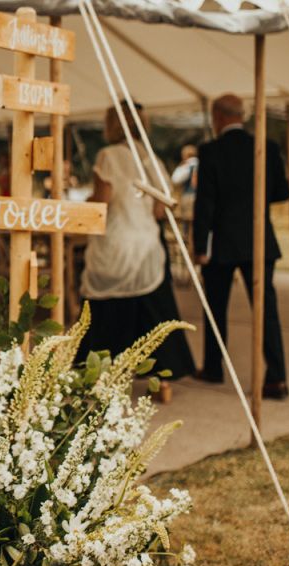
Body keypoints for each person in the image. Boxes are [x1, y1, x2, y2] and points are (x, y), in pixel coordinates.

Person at [78, 103, 196, 402]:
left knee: (107, 311)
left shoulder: (108, 156)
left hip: (117, 240)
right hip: (147, 244)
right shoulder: (152, 159)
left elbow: (102, 202)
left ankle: (103, 374)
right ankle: (163, 379)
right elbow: (159, 210)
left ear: (112, 125)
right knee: (154, 312)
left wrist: (85, 202)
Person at [193, 94, 289, 399]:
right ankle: (277, 378)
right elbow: (283, 192)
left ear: (218, 117)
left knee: (215, 308)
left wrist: (200, 246)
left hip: (222, 242)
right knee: (266, 311)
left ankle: (213, 367)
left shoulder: (210, 151)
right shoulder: (266, 147)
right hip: (259, 239)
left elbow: (205, 203)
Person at [171, 144, 199, 245]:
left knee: (188, 225)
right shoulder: (201, 163)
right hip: (200, 198)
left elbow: (175, 179)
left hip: (189, 197)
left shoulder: (188, 164)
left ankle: (189, 245)